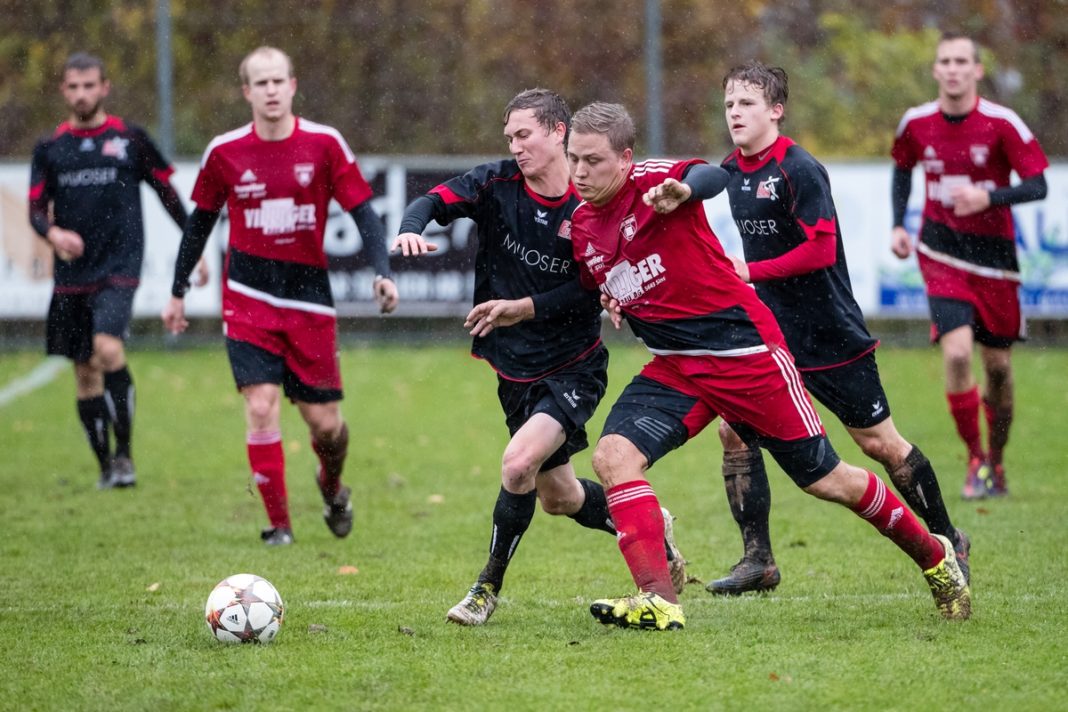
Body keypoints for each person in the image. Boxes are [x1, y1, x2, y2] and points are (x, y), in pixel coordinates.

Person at [566, 101, 970, 631]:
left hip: (745, 354)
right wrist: (614, 298)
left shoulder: (657, 182)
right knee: (613, 457)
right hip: (676, 368)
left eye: (592, 160)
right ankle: (658, 599)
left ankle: (935, 558)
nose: (578, 172)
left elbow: (709, 175)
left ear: (625, 158)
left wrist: (684, 192)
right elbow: (614, 279)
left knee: (829, 481)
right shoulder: (580, 226)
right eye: (573, 159)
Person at [392, 88, 686, 626]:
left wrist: (520, 308)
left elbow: (584, 290)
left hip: (573, 364)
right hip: (513, 366)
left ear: (558, 132)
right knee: (559, 496)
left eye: (524, 134)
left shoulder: (589, 203)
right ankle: (648, 523)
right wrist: (412, 229)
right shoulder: (497, 183)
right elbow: (430, 201)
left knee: (517, 463)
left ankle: (485, 589)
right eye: (510, 138)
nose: (516, 147)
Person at [705, 61, 970, 597]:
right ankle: (758, 559)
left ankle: (948, 541)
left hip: (830, 334)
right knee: (732, 428)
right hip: (772, 334)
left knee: (880, 444)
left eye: (747, 103)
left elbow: (820, 250)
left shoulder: (798, 169)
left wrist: (749, 271)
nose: (735, 112)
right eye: (729, 103)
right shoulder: (729, 171)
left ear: (775, 110)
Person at [162, 46, 397, 545]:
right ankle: (278, 527)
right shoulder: (224, 152)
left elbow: (363, 213)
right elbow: (199, 223)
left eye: (278, 81)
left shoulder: (324, 143)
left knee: (326, 426)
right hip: (246, 297)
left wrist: (382, 271)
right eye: (260, 83)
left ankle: (331, 485)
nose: (270, 90)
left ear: (292, 86)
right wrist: (178, 290)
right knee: (262, 405)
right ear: (246, 92)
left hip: (309, 302)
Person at [29, 52, 206, 490]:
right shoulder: (51, 149)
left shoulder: (131, 139)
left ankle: (125, 455)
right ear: (63, 91)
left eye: (90, 85)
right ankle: (105, 463)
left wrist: (194, 247)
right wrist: (53, 234)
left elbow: (168, 194)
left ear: (105, 87)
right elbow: (34, 209)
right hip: (71, 274)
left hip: (119, 266)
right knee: (85, 370)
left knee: (107, 348)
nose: (82, 94)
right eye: (74, 86)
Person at [891, 31, 1049, 499]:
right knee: (958, 353)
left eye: (963, 61)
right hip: (939, 253)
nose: (954, 68)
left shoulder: (1002, 123)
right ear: (936, 70)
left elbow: (1039, 184)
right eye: (946, 61)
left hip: (995, 262)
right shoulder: (915, 122)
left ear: (977, 70)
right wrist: (898, 224)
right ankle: (975, 460)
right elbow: (902, 169)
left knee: (998, 368)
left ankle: (996, 462)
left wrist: (989, 196)